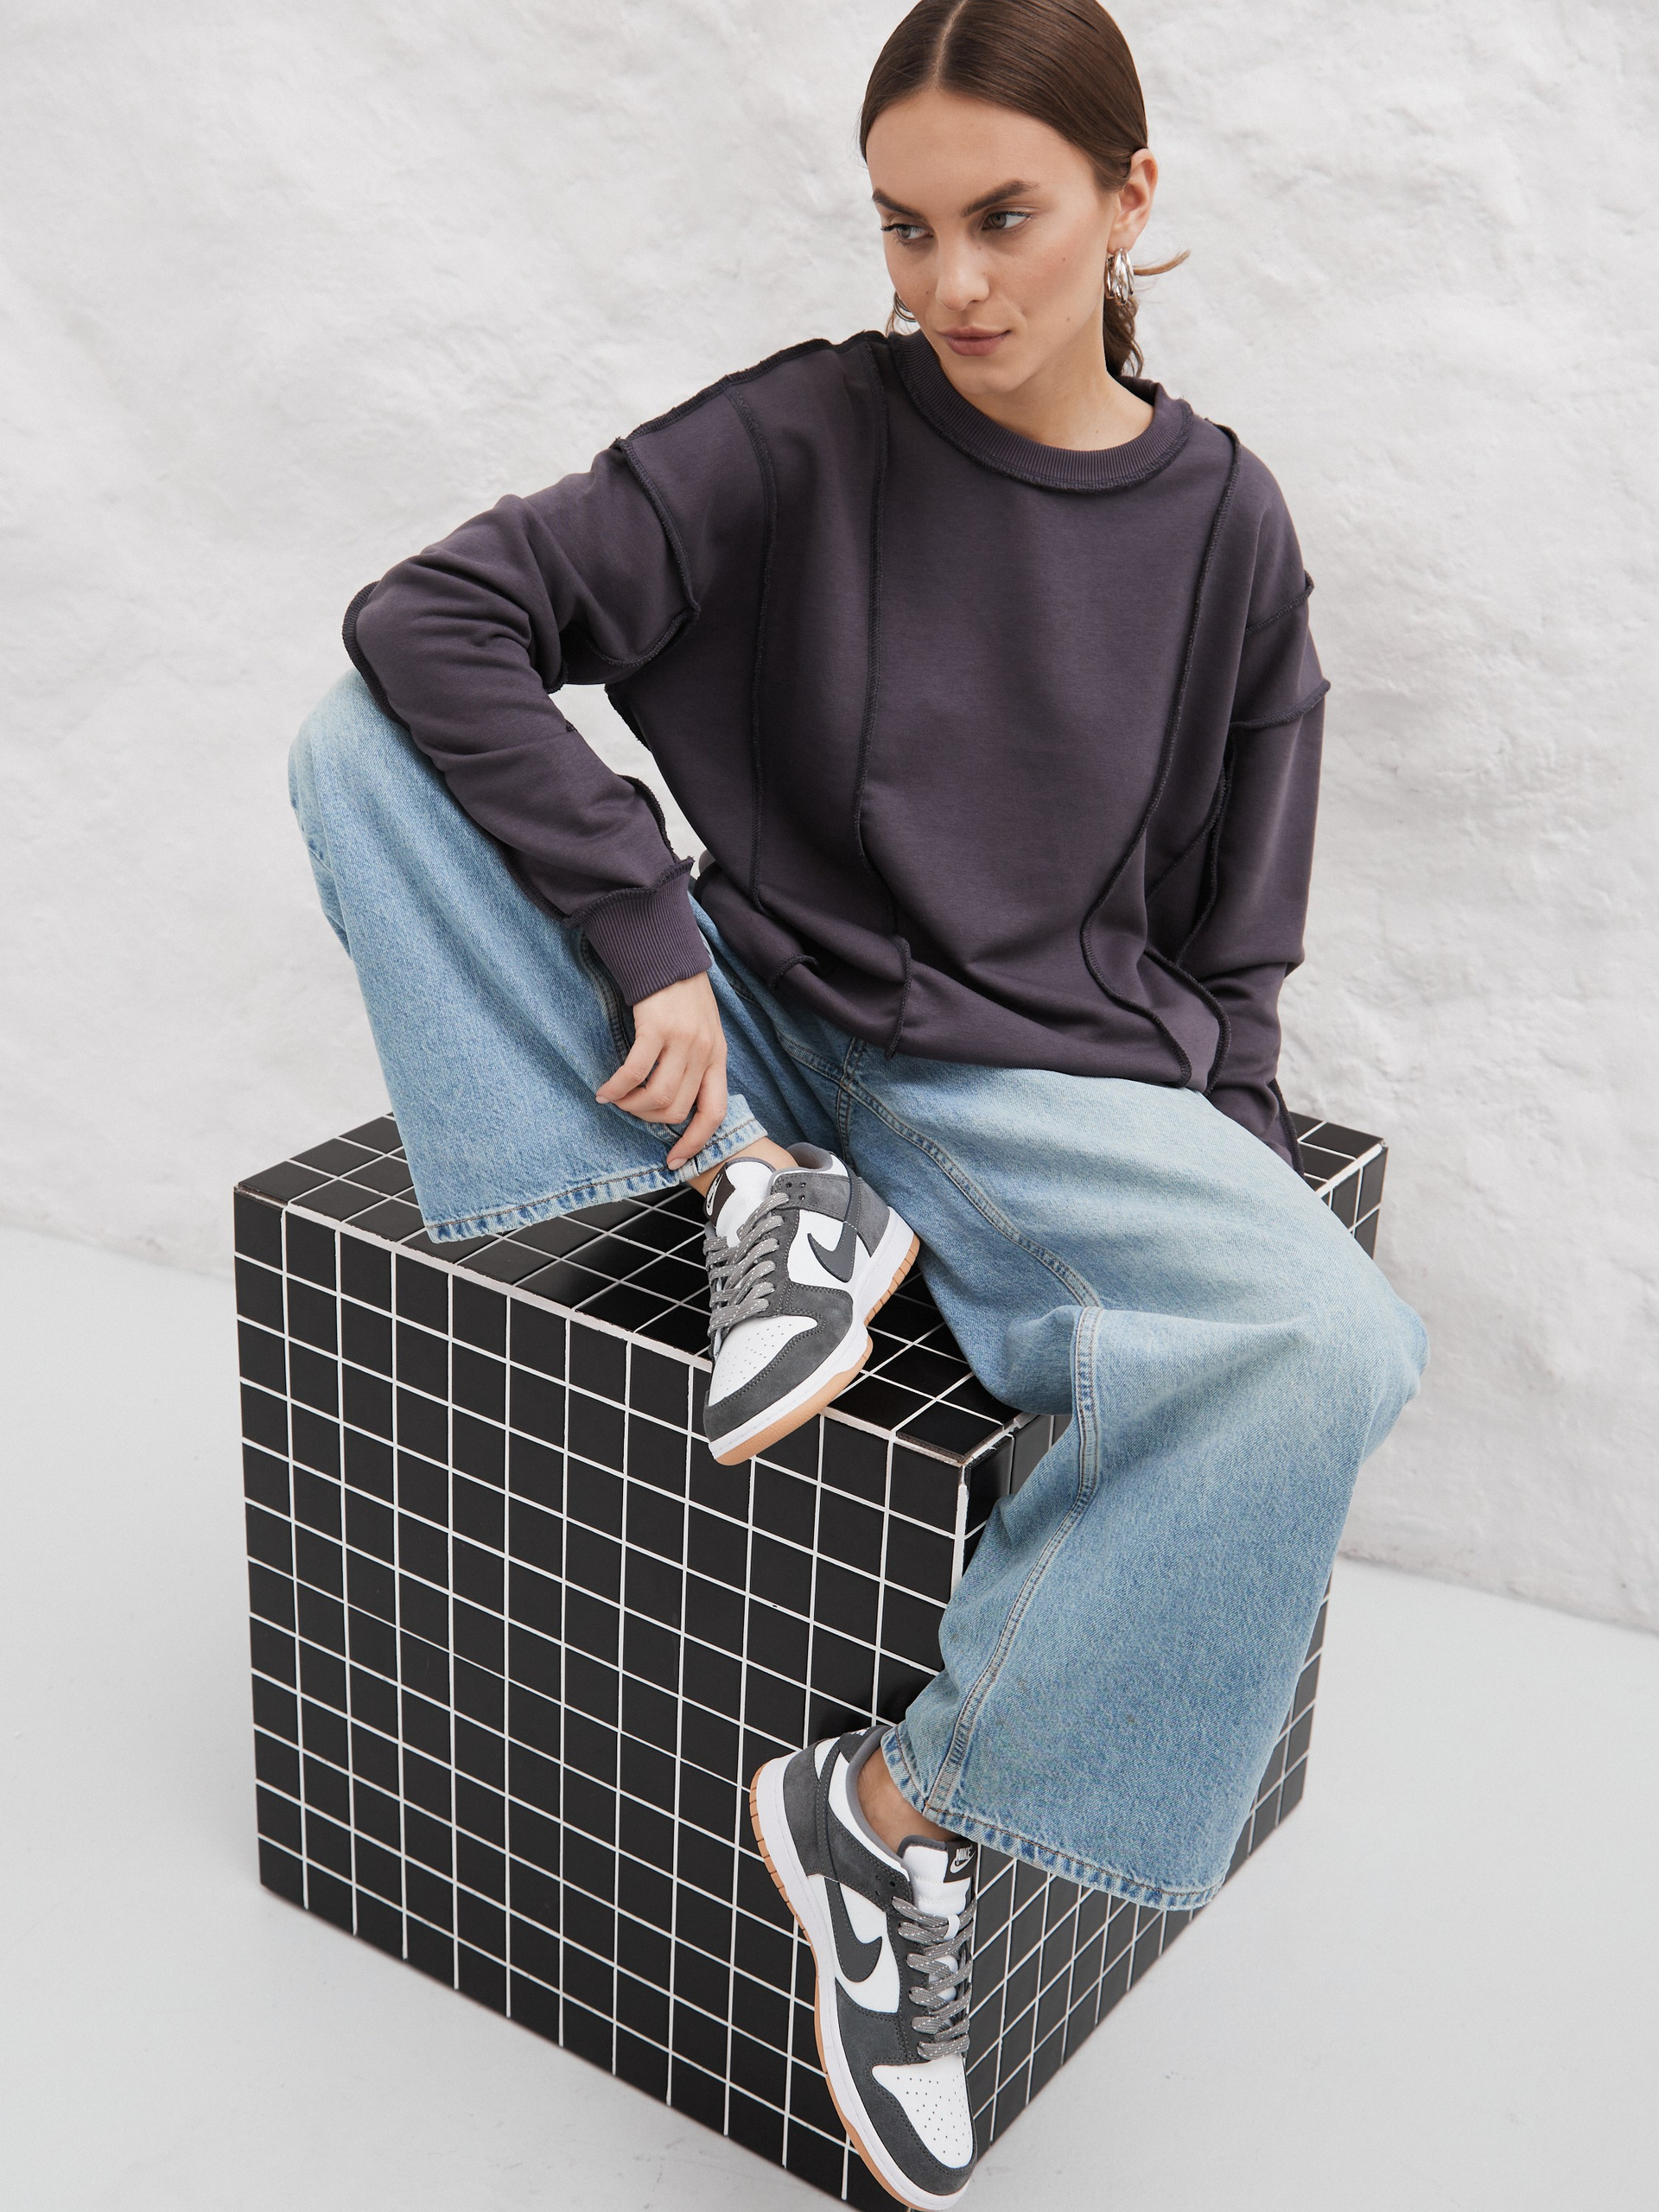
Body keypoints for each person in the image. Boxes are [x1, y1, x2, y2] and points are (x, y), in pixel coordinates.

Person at [289, 2, 1427, 2202]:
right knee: (357, 736)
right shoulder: (812, 427)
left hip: (1027, 1072)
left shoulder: (1227, 528)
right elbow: (434, 618)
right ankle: (760, 1198)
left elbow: (1237, 949)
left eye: (1005, 218)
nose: (952, 284)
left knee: (1335, 1341)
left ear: (1131, 197)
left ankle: (889, 1811)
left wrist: (1227, 1203)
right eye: (907, 227)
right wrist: (639, 926)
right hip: (751, 1020)